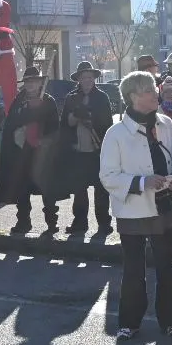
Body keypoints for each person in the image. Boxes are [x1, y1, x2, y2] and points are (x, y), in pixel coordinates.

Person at [98, 70, 172, 341]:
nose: (156, 94)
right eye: (150, 90)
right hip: (133, 211)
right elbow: (108, 177)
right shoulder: (115, 133)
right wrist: (141, 182)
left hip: (165, 206)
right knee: (134, 269)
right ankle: (129, 322)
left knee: (166, 267)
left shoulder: (165, 124)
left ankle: (171, 321)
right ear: (134, 97)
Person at [0, 67, 62, 238]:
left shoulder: (48, 102)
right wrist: (28, 114)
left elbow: (55, 128)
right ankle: (23, 221)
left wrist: (43, 137)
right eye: (27, 81)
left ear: (40, 82)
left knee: (47, 190)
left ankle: (51, 223)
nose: (30, 84)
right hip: (23, 153)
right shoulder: (18, 102)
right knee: (22, 190)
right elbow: (12, 124)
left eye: (34, 81)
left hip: (43, 154)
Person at [59, 62, 115, 237]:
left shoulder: (102, 97)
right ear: (79, 79)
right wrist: (75, 116)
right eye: (84, 77)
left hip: (97, 151)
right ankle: (80, 223)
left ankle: (104, 224)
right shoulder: (71, 98)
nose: (87, 80)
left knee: (101, 189)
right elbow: (65, 124)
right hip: (78, 152)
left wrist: (91, 117)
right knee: (79, 189)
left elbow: (107, 124)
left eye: (90, 77)